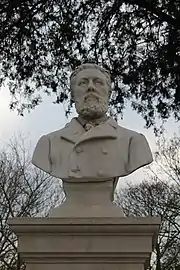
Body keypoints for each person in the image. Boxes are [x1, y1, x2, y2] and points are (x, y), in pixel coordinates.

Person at [32, 63, 153, 200]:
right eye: (83, 83)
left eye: (98, 82)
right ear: (73, 95)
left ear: (109, 93)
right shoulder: (48, 143)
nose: (90, 87)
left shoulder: (134, 142)